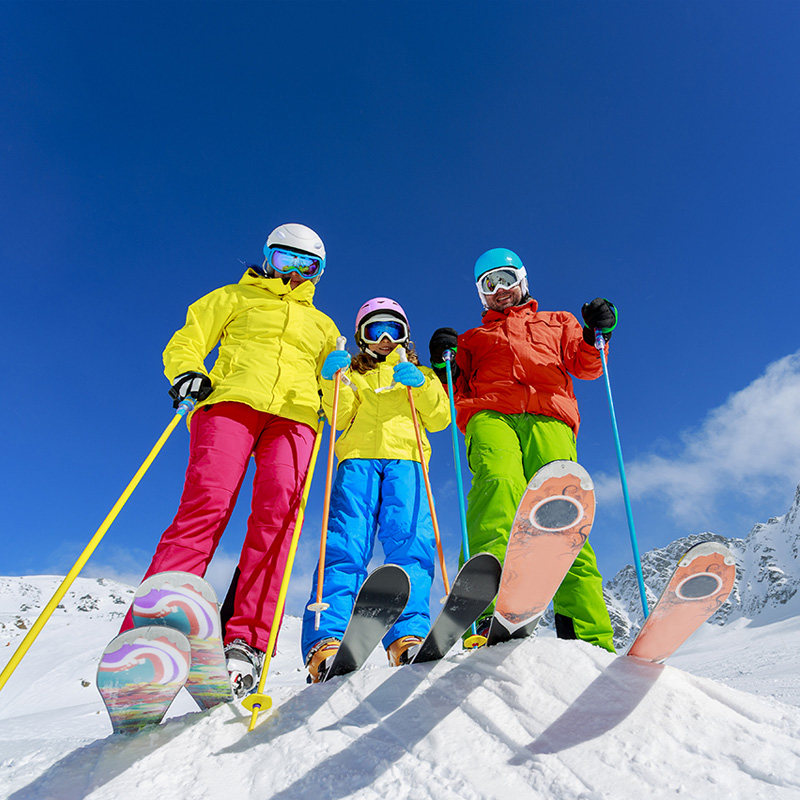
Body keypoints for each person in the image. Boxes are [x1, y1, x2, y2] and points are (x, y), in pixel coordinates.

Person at [120, 223, 341, 697]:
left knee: (278, 519)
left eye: (309, 267)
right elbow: (188, 340)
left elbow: (336, 387)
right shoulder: (231, 298)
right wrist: (188, 373)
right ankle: (151, 632)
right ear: (266, 257)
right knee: (206, 503)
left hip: (297, 418)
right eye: (286, 261)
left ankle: (247, 641)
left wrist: (337, 383)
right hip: (230, 403)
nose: (296, 274)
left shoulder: (324, 326)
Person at [428, 247, 617, 652]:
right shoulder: (473, 339)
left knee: (562, 513)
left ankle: (590, 638)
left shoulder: (558, 321)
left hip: (549, 416)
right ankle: (485, 611)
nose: (500, 290)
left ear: (523, 281)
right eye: (489, 285)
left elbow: (587, 366)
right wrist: (444, 362)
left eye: (506, 279)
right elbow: (450, 389)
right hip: (490, 414)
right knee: (498, 484)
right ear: (481, 294)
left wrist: (595, 332)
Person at [301, 297, 450, 681]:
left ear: (405, 336)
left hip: (408, 461)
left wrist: (421, 384)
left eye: (394, 330)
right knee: (344, 544)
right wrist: (330, 379)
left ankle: (408, 635)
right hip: (358, 461)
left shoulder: (417, 373)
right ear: (360, 336)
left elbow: (439, 418)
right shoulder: (352, 372)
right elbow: (339, 415)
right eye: (375, 330)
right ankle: (326, 639)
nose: (385, 339)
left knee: (411, 545)